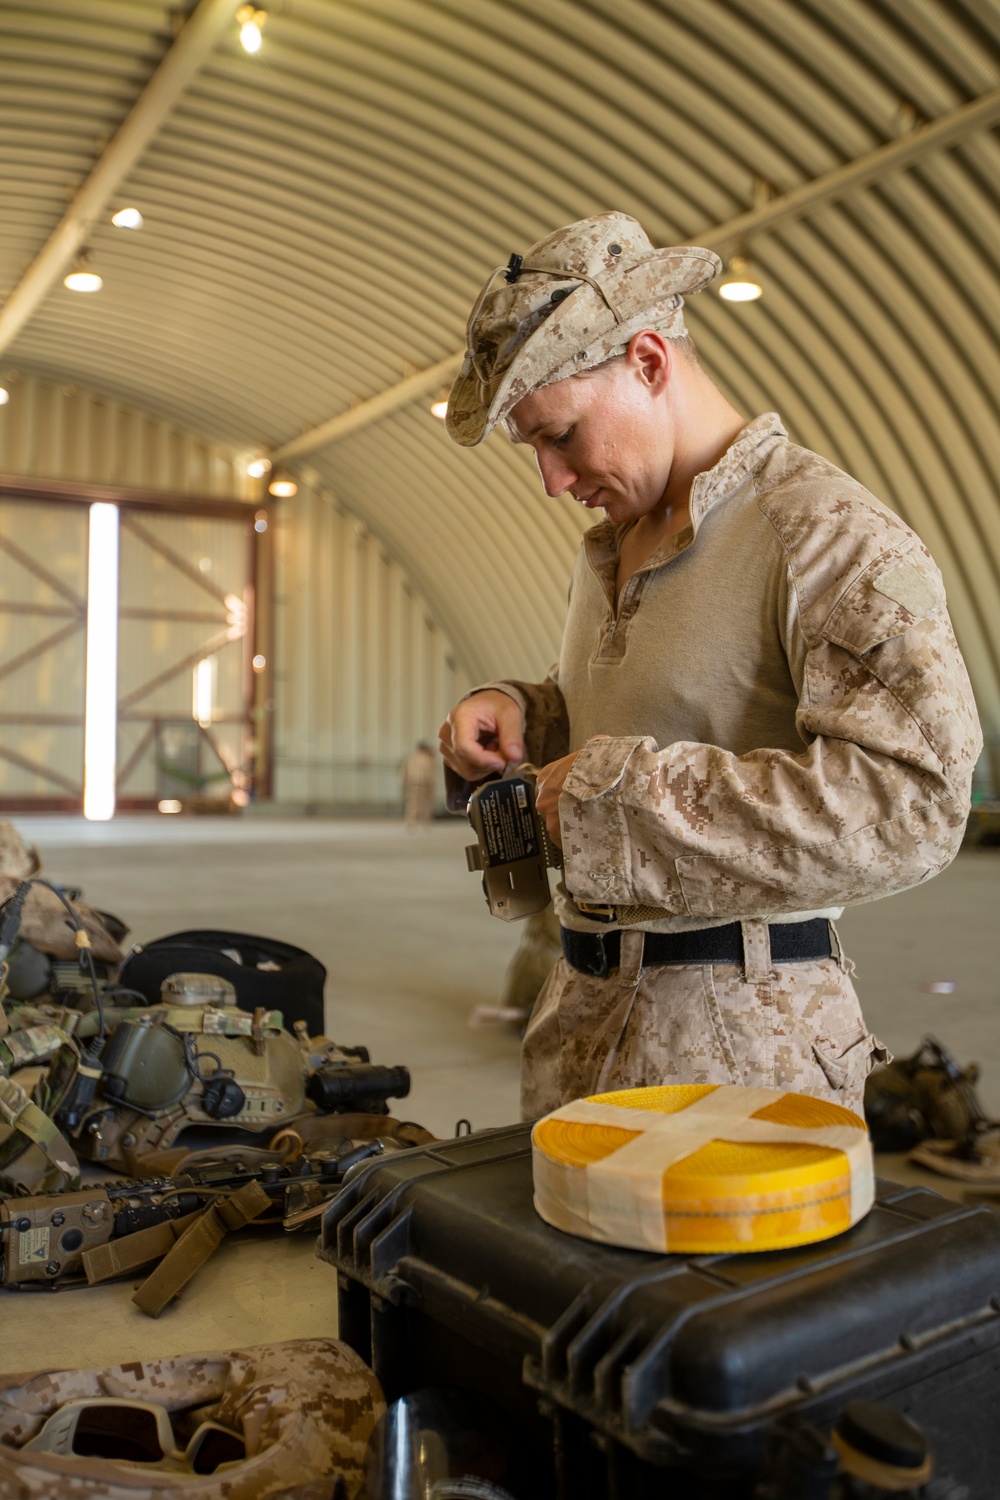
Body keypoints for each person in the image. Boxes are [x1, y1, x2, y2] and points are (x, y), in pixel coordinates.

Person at [438, 211, 982, 1120]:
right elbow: (677, 711)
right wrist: (532, 714)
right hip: (581, 1017)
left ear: (649, 362)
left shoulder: (822, 534)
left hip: (739, 1046)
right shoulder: (616, 542)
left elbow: (916, 803)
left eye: (559, 434)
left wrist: (613, 800)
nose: (552, 480)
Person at [401, 741, 438, 825]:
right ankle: (426, 821)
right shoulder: (429, 759)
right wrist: (432, 786)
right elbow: (431, 773)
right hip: (425, 783)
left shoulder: (411, 758)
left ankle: (411, 820)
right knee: (426, 803)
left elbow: (404, 771)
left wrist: (404, 783)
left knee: (412, 802)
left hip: (412, 783)